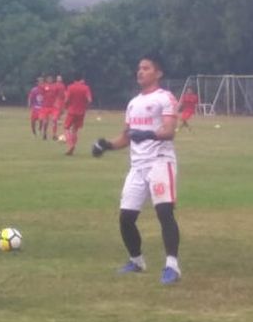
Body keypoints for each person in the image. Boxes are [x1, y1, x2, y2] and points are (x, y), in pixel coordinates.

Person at [91, 55, 182, 284]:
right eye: (139, 68)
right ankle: (137, 260)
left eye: (146, 68)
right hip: (138, 166)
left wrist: (149, 134)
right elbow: (126, 137)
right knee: (126, 218)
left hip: (160, 162)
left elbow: (169, 131)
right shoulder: (132, 103)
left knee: (164, 212)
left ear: (158, 73)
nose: (140, 72)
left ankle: (172, 266)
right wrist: (107, 145)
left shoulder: (165, 98)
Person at [62, 74, 92, 155]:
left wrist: (65, 107)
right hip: (81, 112)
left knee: (66, 128)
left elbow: (67, 99)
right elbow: (89, 100)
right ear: (81, 79)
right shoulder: (86, 88)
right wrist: (85, 106)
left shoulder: (70, 87)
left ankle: (70, 145)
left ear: (74, 80)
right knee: (75, 130)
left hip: (71, 111)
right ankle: (73, 147)